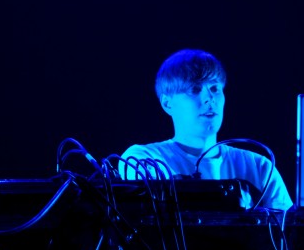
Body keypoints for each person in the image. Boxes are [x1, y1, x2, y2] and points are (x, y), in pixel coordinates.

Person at [119, 48, 294, 211]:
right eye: (194, 89)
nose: (209, 98)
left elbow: (290, 230)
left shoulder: (259, 167)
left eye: (215, 88)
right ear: (167, 103)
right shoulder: (144, 159)